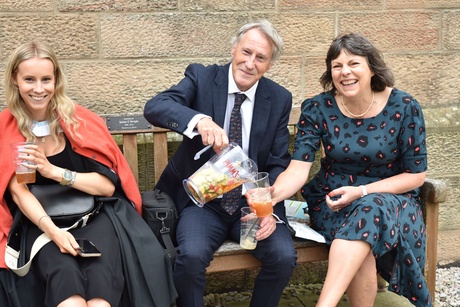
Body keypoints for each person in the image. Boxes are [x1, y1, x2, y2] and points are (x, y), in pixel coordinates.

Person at [0, 41, 177, 307]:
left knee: (100, 292)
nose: (39, 89)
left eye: (46, 79)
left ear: (56, 80)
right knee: (67, 287)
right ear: (15, 80)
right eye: (29, 79)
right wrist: (54, 232)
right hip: (39, 223)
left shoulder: (79, 121)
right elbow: (18, 191)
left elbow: (106, 188)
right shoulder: (6, 127)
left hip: (95, 217)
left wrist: (52, 170)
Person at [144, 19, 297, 307]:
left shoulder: (278, 98)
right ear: (233, 49)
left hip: (251, 205)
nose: (250, 63)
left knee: (284, 257)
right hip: (203, 204)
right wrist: (199, 120)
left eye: (260, 58)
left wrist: (267, 206)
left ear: (269, 65)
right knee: (189, 258)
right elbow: (155, 107)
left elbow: (278, 161)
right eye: (246, 52)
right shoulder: (202, 78)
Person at [269, 33, 430, 307]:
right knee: (363, 237)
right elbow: (298, 170)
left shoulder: (403, 107)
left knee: (371, 208)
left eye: (354, 63)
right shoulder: (318, 108)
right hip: (334, 202)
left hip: (394, 201)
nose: (345, 72)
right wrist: (271, 196)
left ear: (371, 68)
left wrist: (363, 191)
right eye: (336, 66)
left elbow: (416, 176)